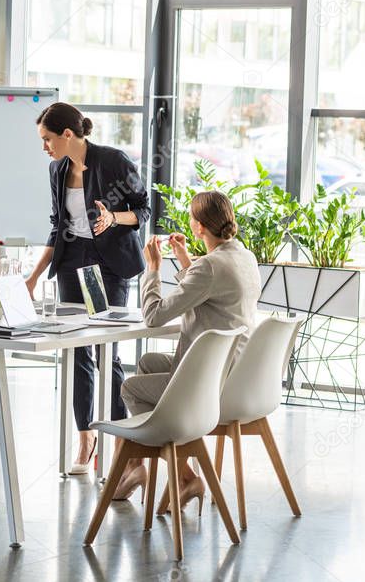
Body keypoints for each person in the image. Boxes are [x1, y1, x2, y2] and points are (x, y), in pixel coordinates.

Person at [25, 102, 150, 474]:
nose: (44, 147)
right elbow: (56, 223)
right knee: (76, 352)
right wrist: (33, 276)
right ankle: (85, 440)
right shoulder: (56, 170)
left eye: (47, 139)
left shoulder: (113, 161)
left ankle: (124, 446)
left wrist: (113, 217)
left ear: (67, 134)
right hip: (71, 261)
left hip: (108, 265)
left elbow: (143, 210)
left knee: (104, 352)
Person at [115, 190, 261, 504]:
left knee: (131, 388)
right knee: (148, 363)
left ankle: (184, 476)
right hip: (233, 370)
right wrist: (185, 261)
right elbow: (212, 293)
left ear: (198, 227)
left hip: (210, 381)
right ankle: (137, 466)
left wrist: (152, 269)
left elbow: (153, 317)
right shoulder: (243, 256)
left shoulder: (208, 268)